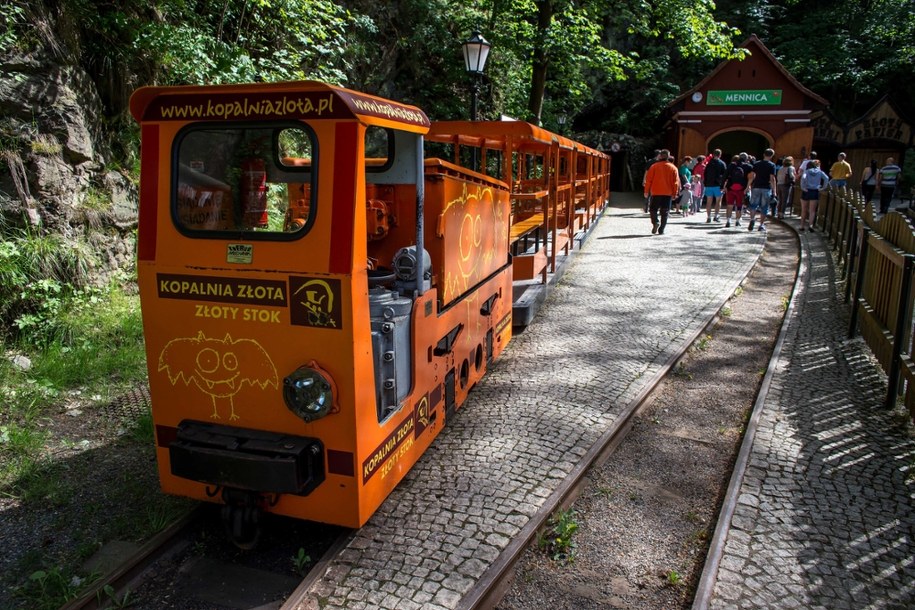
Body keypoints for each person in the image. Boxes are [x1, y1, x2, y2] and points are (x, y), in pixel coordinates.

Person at [643, 149, 680, 235]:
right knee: (665, 211)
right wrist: (675, 193)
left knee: (653, 209)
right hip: (667, 193)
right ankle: (661, 229)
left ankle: (655, 222)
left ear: (660, 156)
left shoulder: (654, 166)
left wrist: (646, 191)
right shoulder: (673, 168)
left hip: (656, 192)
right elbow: (676, 182)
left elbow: (649, 180)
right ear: (669, 156)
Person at [746, 148, 777, 232]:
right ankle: (761, 225)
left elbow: (752, 176)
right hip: (766, 187)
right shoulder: (772, 165)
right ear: (771, 156)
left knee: (753, 205)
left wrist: (748, 186)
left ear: (764, 154)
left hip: (756, 186)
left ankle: (752, 219)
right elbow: (772, 178)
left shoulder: (757, 164)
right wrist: (774, 191)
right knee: (764, 207)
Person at [722, 152, 752, 228]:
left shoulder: (731, 165)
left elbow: (725, 176)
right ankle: (737, 221)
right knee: (739, 205)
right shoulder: (748, 166)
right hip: (741, 189)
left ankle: (728, 220)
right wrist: (748, 186)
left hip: (731, 187)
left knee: (729, 205)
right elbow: (752, 176)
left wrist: (722, 186)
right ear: (746, 159)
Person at [799, 159, 828, 231]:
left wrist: (802, 187)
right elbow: (826, 178)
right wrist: (823, 187)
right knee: (812, 211)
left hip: (806, 191)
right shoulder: (820, 172)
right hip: (815, 191)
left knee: (804, 210)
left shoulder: (806, 171)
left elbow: (803, 177)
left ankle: (802, 226)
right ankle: (810, 225)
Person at [703, 149, 727, 223]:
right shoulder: (722, 163)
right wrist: (724, 185)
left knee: (709, 201)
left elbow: (705, 174)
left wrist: (706, 183)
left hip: (709, 184)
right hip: (718, 185)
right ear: (720, 155)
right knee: (718, 201)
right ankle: (716, 216)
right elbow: (724, 175)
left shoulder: (709, 163)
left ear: (713, 154)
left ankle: (708, 217)